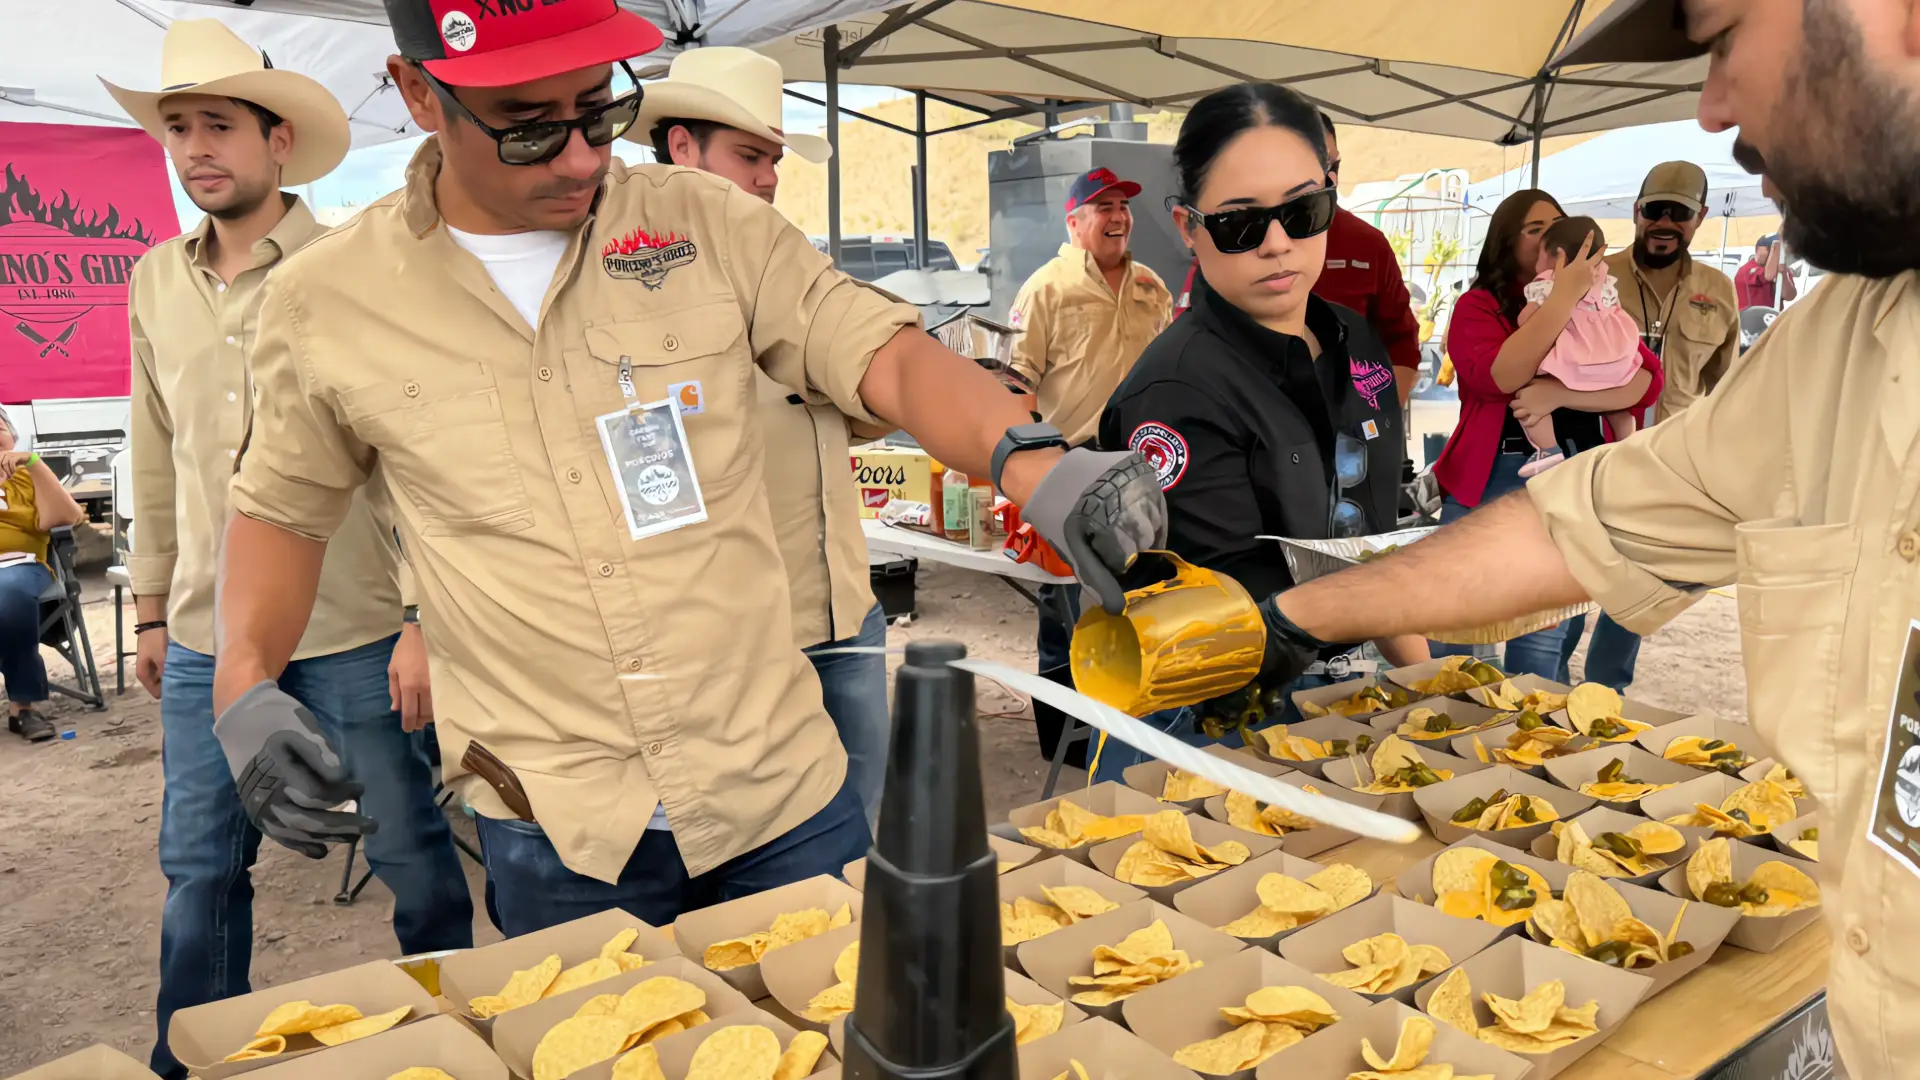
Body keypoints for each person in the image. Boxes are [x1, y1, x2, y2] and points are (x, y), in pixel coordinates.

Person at [208, 0, 1165, 935]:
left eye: (598, 108)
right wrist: (243, 682)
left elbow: (883, 353)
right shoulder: (326, 303)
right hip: (558, 824)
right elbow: (283, 512)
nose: (582, 155)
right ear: (419, 92)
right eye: (527, 128)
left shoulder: (704, 226)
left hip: (778, 790)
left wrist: (1031, 457)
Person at [1228, 0, 1920, 1070]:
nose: (1711, 109)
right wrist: (1296, 614)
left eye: (1724, 36)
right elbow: (1583, 526)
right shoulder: (1846, 333)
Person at [105, 21, 474, 1077]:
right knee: (200, 868)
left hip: (356, 626)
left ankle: (452, 1042)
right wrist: (149, 610)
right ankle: (192, 1058)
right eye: (177, 128)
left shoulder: (362, 267)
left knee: (411, 855)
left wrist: (421, 620)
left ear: (279, 143)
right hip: (209, 642)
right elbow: (156, 452)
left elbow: (418, 457)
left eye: (217, 125)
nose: (195, 149)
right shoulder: (152, 284)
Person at [1088, 82, 1429, 782]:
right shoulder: (1178, 390)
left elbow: (1368, 539)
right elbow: (1232, 608)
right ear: (1188, 227)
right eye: (1241, 224)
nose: (1278, 244)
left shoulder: (1354, 338)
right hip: (1225, 719)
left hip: (1347, 680)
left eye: (1304, 212)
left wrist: (1425, 681)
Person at [628, 47, 890, 830]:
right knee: (759, 851)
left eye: (773, 159)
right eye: (751, 156)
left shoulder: (800, 270)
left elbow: (862, 419)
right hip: (735, 632)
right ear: (682, 149)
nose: (771, 178)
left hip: (845, 607)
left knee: (859, 832)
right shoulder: (625, 296)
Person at [1428, 187, 1662, 681]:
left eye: (1558, 227)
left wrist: (1559, 397)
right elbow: (1500, 376)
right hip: (1492, 475)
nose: (1552, 239)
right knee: (1453, 624)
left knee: (1540, 640)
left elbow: (1645, 380)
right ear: (1506, 240)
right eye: (1536, 230)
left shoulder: (1598, 304)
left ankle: (1528, 748)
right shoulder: (1480, 307)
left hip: (1573, 474)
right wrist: (1561, 298)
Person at [1007, 166, 1172, 767]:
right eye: (1103, 206)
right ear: (1074, 221)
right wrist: (1028, 471)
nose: (1119, 216)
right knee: (1063, 606)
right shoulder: (1045, 289)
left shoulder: (1153, 286)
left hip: (1142, 464)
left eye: (1123, 205)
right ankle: (1065, 747)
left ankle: (1127, 729)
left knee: (1135, 598)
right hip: (1069, 463)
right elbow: (1015, 384)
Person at [1172, 114, 1424, 409]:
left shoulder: (1367, 243)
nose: (1278, 244)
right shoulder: (1233, 239)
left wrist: (1378, 426)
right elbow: (1194, 330)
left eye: (1332, 167)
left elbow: (1401, 343)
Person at [1605, 161, 1741, 423]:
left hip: (1678, 449)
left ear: (1700, 216)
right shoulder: (1595, 276)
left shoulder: (1719, 290)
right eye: (1653, 210)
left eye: (1680, 213)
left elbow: (1725, 390)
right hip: (1603, 446)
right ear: (1636, 212)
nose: (1664, 222)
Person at [1512, 217, 1644, 476]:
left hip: (1578, 357)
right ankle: (1628, 446)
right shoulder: (1603, 277)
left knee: (1528, 392)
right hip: (1614, 354)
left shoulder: (1549, 280)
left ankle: (1548, 450)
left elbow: (1526, 320)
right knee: (1619, 407)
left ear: (1557, 256)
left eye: (1540, 252)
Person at [0, 407, 86, 744]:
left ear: (14, 436)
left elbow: (68, 515)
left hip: (20, 566)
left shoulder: (29, 476)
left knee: (9, 594)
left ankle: (23, 707)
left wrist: (34, 465)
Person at [1735, 233, 1798, 310]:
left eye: (1779, 250)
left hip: (1773, 317)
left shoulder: (1782, 270)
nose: (1774, 253)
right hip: (1750, 318)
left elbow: (1790, 296)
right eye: (1769, 248)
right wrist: (1776, 245)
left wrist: (1783, 274)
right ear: (1758, 249)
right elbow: (1769, 275)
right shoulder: (1745, 270)